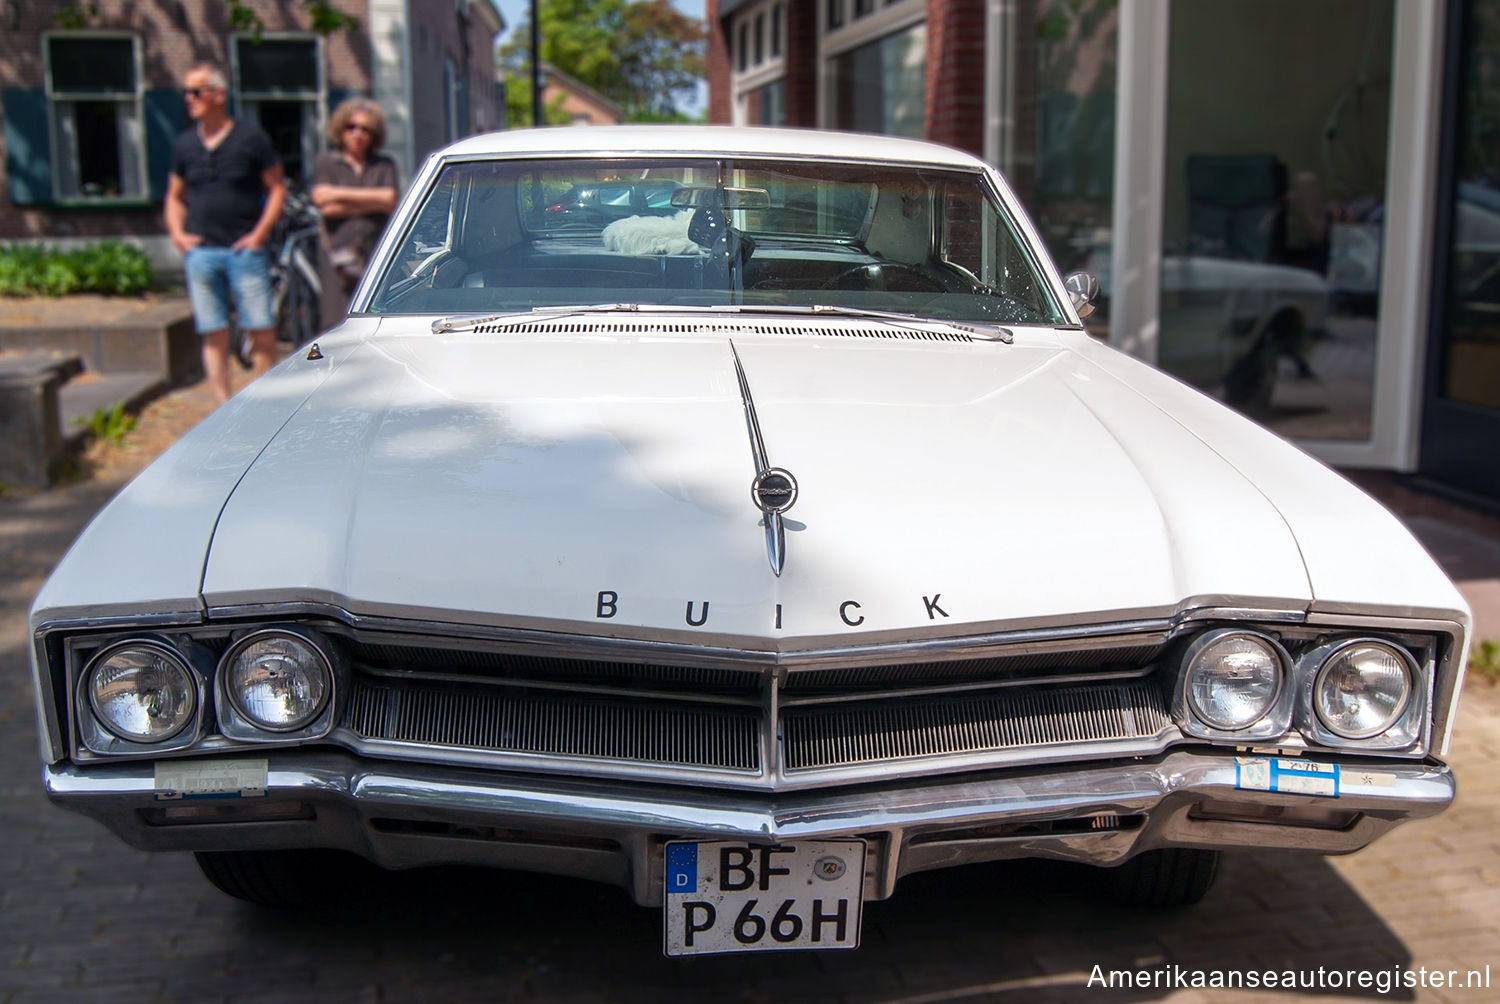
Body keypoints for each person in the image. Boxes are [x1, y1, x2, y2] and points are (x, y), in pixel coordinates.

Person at [164, 63, 286, 403]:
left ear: (218, 95)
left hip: (243, 250)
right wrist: (178, 234)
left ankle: (265, 403)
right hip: (201, 252)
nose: (189, 99)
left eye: (196, 91)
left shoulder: (251, 139)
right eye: (186, 92)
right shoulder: (185, 145)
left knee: (260, 328)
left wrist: (259, 234)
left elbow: (277, 189)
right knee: (212, 331)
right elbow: (175, 196)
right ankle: (223, 405)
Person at [311, 98, 399, 330]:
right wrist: (373, 199)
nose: (358, 134)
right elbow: (323, 203)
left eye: (366, 129)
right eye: (352, 127)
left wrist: (337, 194)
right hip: (337, 253)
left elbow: (390, 199)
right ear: (341, 129)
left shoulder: (384, 165)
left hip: (375, 250)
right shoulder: (327, 162)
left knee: (375, 317)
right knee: (335, 319)